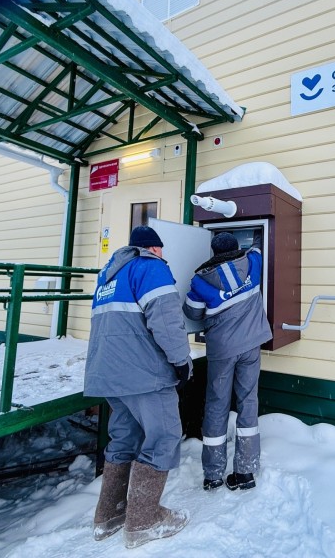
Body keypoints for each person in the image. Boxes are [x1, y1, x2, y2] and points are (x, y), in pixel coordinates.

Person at [84, 225, 193, 549]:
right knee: (164, 436)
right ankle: (144, 521)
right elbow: (167, 321)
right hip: (144, 373)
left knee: (126, 436)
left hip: (109, 373)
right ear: (154, 249)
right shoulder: (151, 267)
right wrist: (181, 361)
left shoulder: (109, 275)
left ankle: (109, 515)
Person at [183, 231, 272, 491]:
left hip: (222, 351)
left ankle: (213, 474)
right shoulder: (253, 264)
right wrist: (257, 236)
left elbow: (191, 312)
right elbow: (258, 247)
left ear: (213, 252)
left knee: (216, 405)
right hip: (251, 345)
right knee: (248, 401)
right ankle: (245, 472)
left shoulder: (200, 281)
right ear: (236, 248)